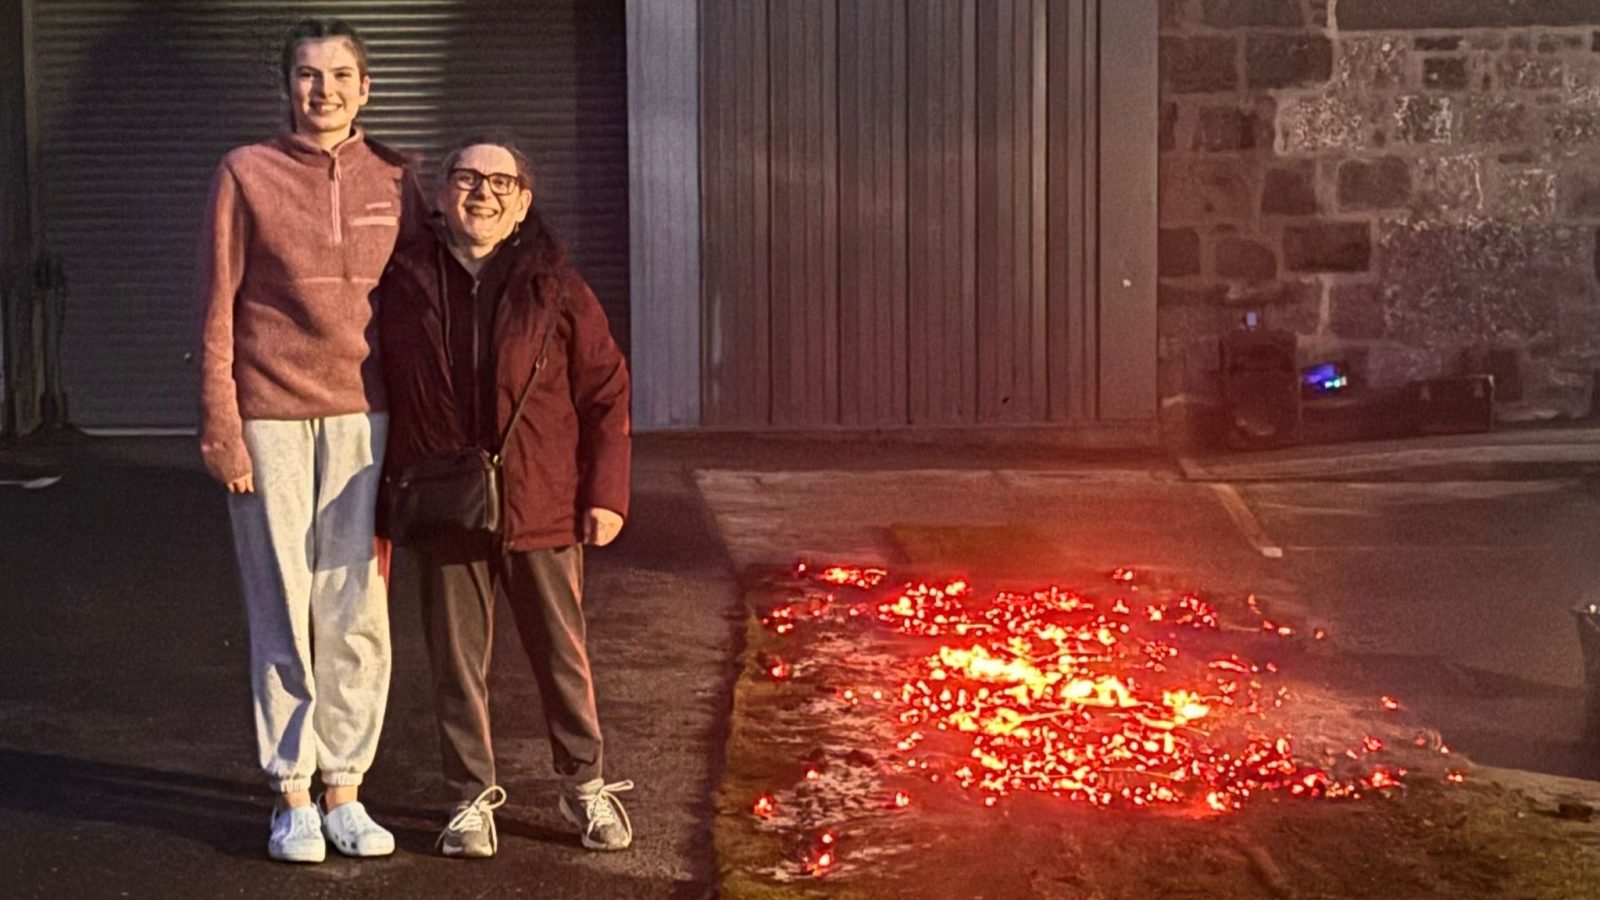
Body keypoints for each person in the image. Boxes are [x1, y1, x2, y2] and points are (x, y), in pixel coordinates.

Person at [375, 136, 633, 858]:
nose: (481, 192)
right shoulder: (402, 282)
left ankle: (585, 785)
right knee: (456, 665)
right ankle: (469, 799)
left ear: (522, 205)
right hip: (441, 505)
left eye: (500, 182)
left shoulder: (557, 289)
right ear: (442, 195)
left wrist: (606, 493)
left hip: (541, 502)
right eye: (466, 178)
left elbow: (607, 394)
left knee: (560, 655)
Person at [193, 17, 411, 863]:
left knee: (355, 610)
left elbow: (417, 307)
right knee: (281, 604)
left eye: (339, 77)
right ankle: (293, 795)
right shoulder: (246, 174)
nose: (323, 91)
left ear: (365, 89)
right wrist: (221, 425)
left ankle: (347, 786)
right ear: (287, 86)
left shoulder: (398, 178)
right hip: (270, 418)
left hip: (368, 419)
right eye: (308, 76)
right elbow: (218, 305)